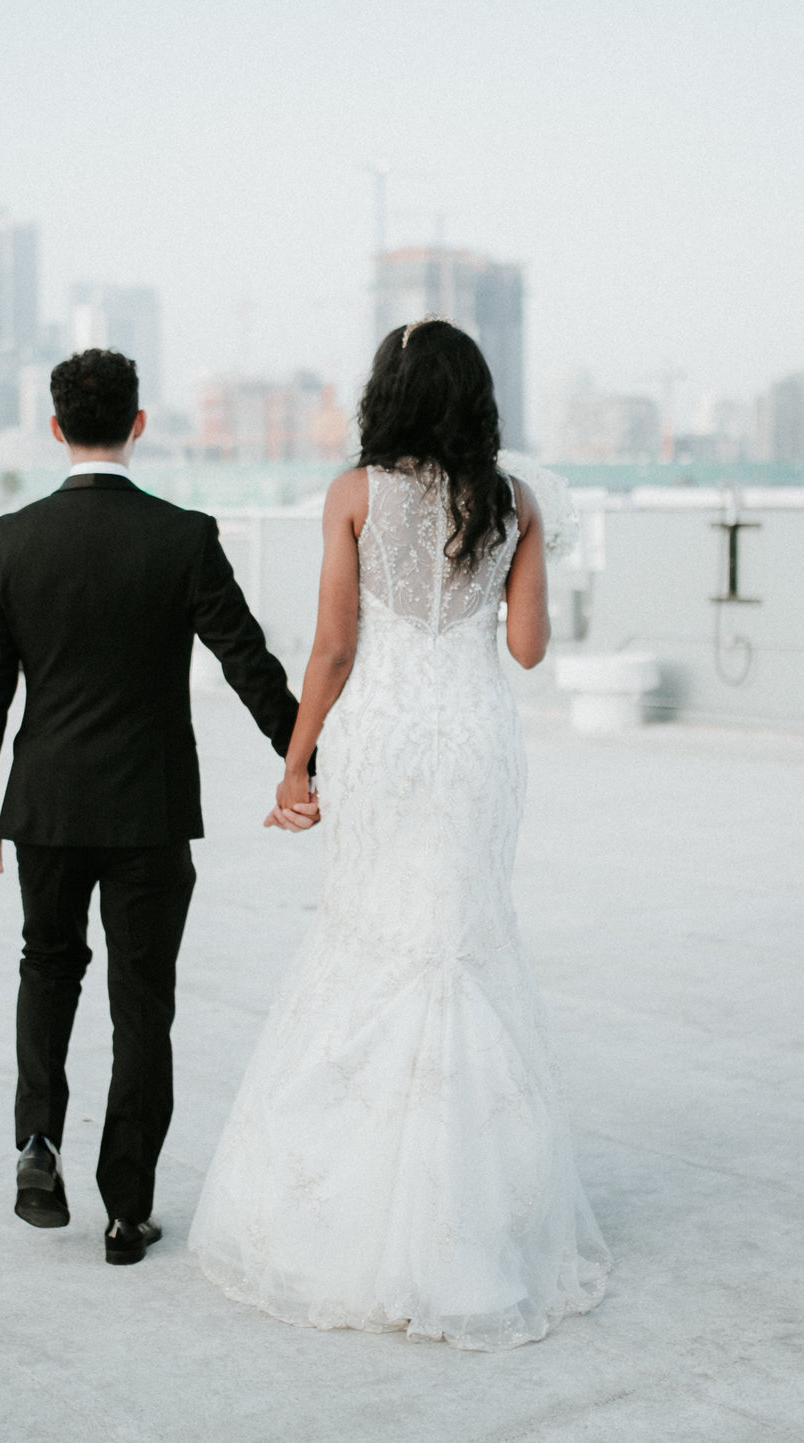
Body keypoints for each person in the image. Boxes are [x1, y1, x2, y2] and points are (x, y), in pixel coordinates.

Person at [189, 320, 610, 1348]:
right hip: (471, 738)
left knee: (370, 934)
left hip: (380, 736)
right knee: (459, 944)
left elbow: (332, 646)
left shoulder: (352, 494)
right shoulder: (514, 502)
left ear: (388, 394)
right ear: (475, 398)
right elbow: (525, 649)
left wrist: (296, 761)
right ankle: (470, 1225)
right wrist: (527, 563)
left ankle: (352, 1215)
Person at [0, 348, 308, 1266]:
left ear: (57, 427)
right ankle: (126, 1209)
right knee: (141, 1003)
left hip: (49, 806)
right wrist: (302, 758)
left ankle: (37, 1141)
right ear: (139, 424)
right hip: (150, 808)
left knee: (49, 965)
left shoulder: (9, 539)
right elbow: (246, 657)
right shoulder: (182, 536)